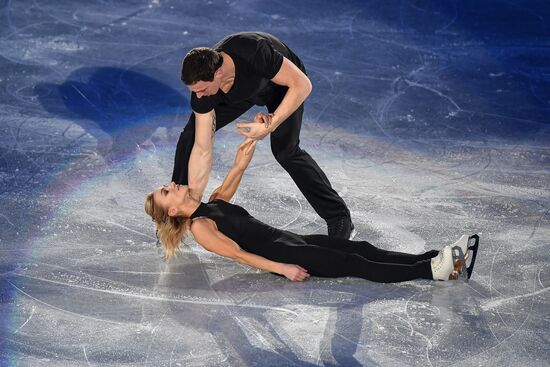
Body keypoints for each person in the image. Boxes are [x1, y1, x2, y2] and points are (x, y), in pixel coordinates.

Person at [146, 138, 478, 283]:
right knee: (356, 263)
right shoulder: (201, 227)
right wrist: (283, 269)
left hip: (296, 239)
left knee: (361, 248)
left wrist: (252, 141)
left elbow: (238, 166)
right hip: (289, 256)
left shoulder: (214, 203)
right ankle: (433, 272)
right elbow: (240, 256)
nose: (171, 184)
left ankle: (438, 258)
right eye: (165, 192)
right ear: (172, 210)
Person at [171, 31, 354, 239]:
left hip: (283, 85)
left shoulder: (253, 51)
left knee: (285, 151)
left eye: (202, 90)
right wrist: (192, 202)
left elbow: (302, 85)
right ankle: (177, 213)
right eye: (195, 91)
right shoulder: (204, 90)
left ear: (218, 73)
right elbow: (202, 148)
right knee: (191, 135)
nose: (198, 96)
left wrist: (270, 125)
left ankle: (339, 217)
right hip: (241, 91)